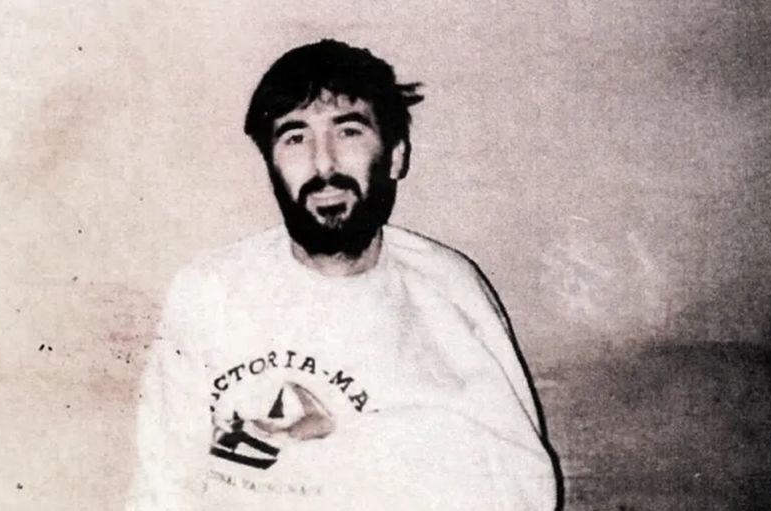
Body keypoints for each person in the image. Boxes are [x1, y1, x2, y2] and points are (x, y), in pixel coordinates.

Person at [128, 39, 561, 510]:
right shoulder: (210, 290)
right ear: (271, 165)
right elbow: (162, 484)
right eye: (295, 138)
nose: (324, 164)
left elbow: (521, 483)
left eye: (349, 132)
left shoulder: (448, 289)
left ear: (395, 156)